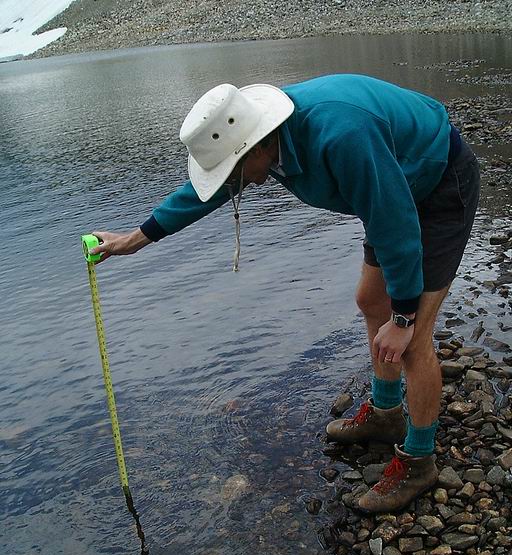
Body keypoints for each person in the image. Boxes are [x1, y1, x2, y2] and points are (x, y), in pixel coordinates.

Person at [90, 74, 480, 514]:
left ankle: (419, 461)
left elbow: (395, 225)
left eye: (232, 171)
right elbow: (204, 195)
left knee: (413, 339)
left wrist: (404, 317)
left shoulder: (342, 136)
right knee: (372, 302)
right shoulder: (264, 140)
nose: (234, 183)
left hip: (436, 181)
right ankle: (387, 414)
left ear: (256, 145)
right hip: (387, 185)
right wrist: (134, 239)